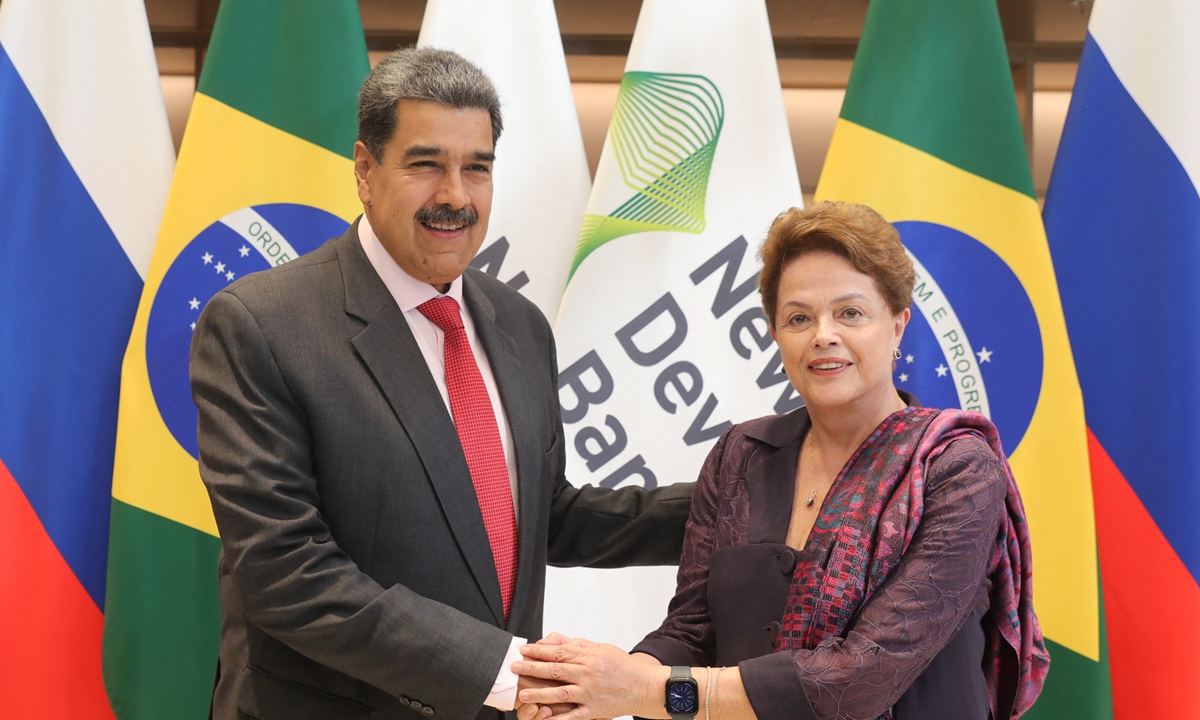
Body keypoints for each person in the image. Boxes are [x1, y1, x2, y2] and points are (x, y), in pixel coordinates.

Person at [189, 47, 692, 720]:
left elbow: (543, 518)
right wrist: (502, 671)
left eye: (476, 168)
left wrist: (746, 498)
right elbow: (284, 573)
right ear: (366, 171)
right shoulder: (261, 325)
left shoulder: (519, 326)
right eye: (427, 165)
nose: (455, 195)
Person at [513, 202, 1049, 720]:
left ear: (898, 325)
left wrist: (649, 691)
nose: (823, 335)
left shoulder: (957, 468)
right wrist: (601, 684)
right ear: (775, 336)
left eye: (850, 313)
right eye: (798, 317)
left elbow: (857, 681)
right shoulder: (739, 457)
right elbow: (692, 629)